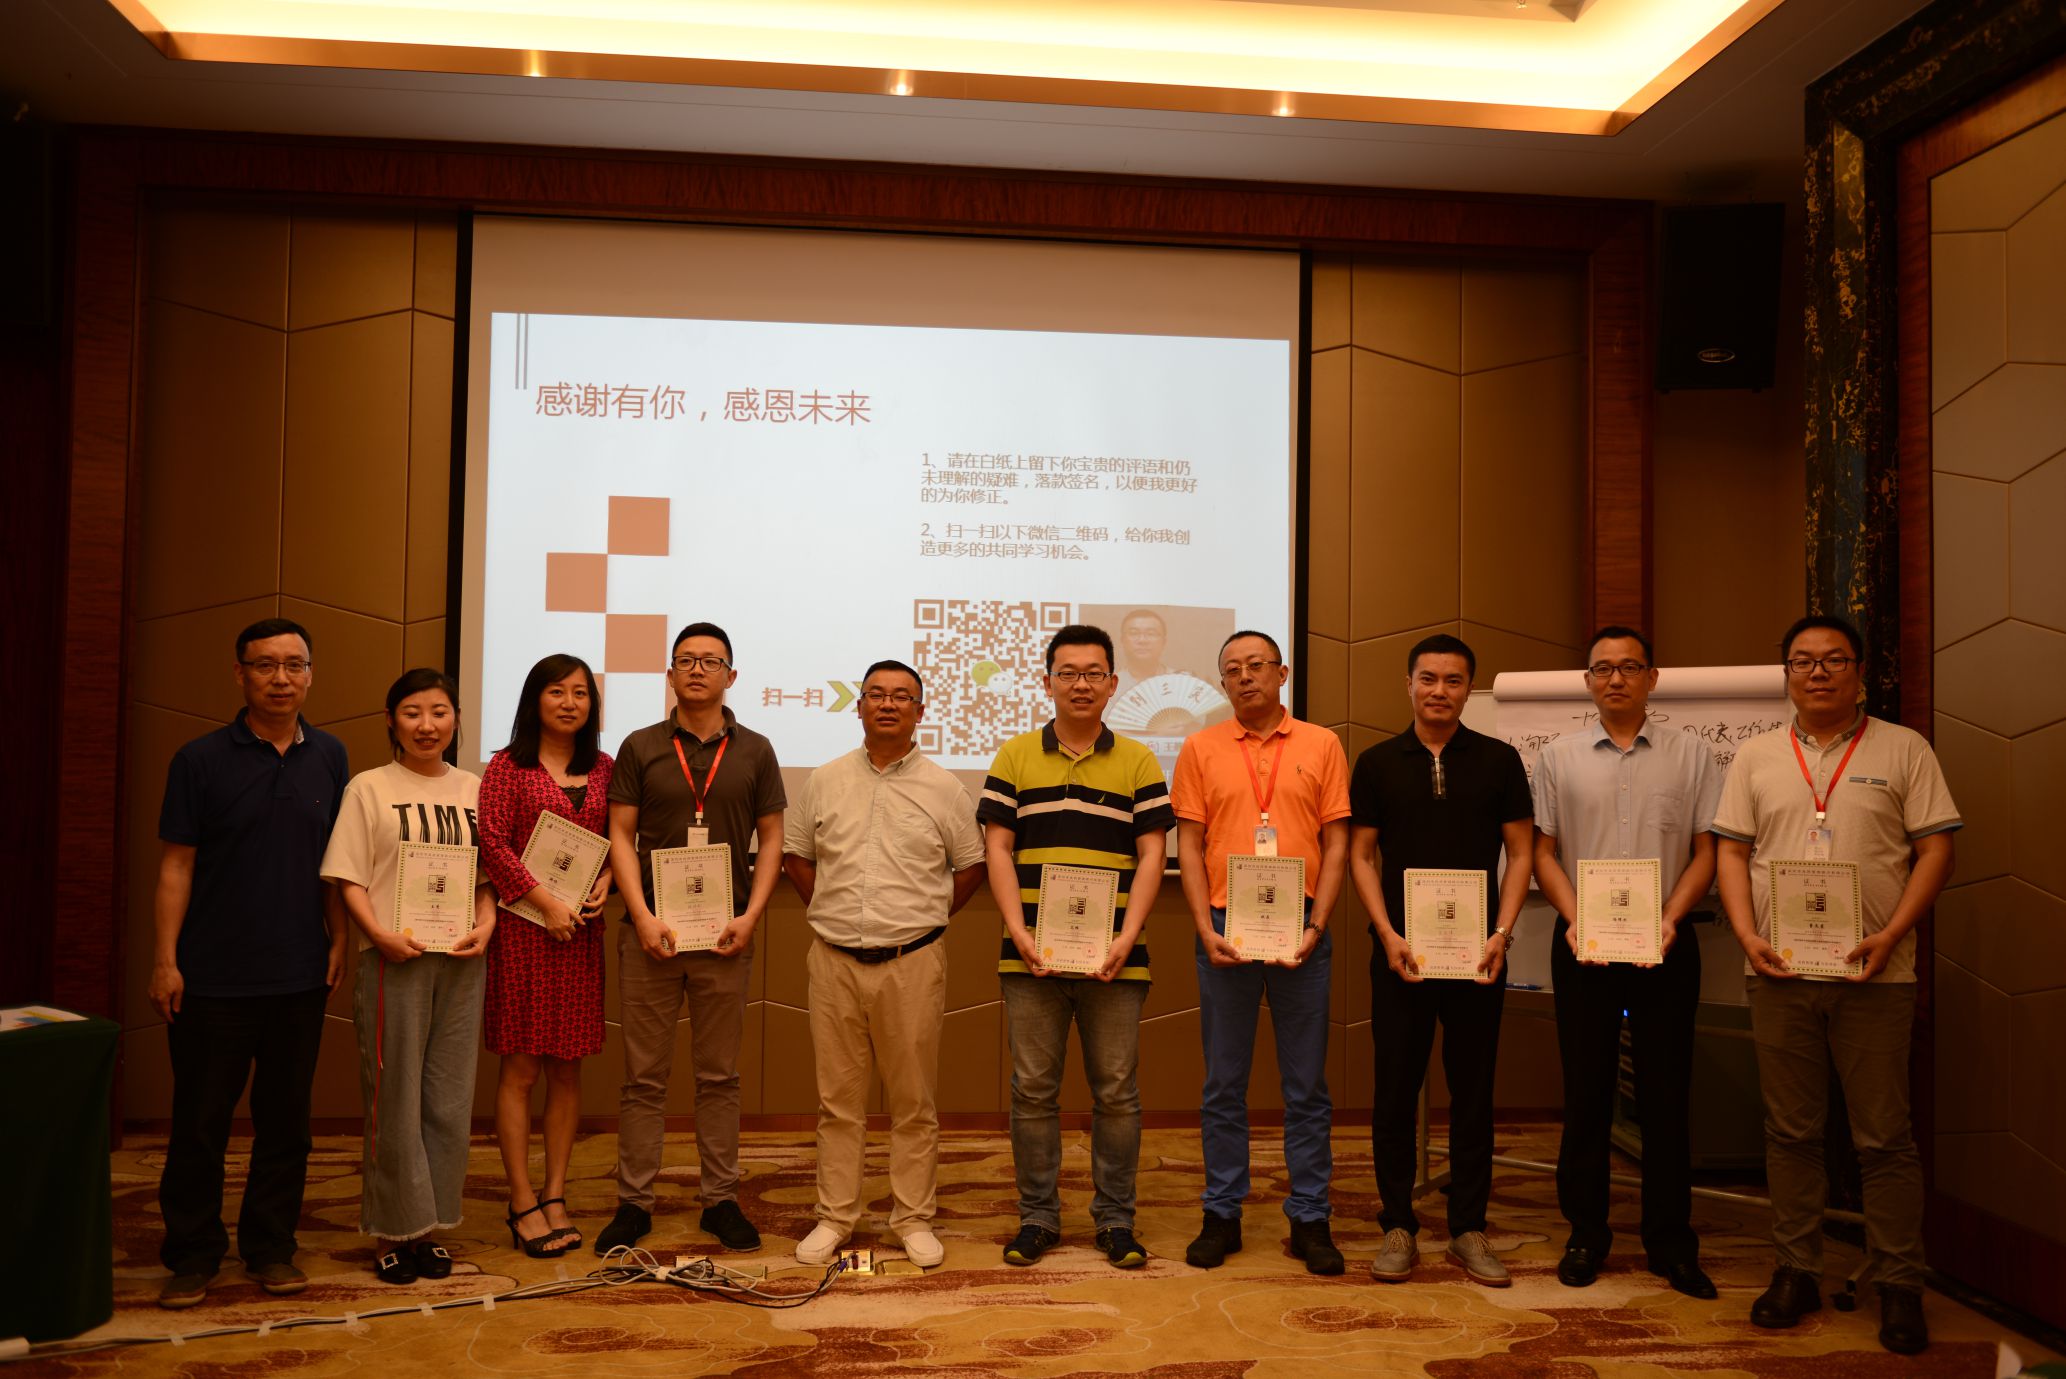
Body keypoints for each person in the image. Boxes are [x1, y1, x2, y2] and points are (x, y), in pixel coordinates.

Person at [1715, 614, 1958, 1356]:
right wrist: (1747, 936)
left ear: (1859, 671)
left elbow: (1936, 849)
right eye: (1802, 661)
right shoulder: (1756, 755)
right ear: (1786, 674)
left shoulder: (1905, 748)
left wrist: (1893, 934)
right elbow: (1732, 852)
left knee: (1883, 1137)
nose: (1817, 672)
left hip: (1874, 973)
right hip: (1779, 971)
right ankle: (1796, 1269)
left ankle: (1899, 1282)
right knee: (1791, 1132)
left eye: (1832, 660)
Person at [149, 618, 350, 1309]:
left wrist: (339, 939)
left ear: (310, 674)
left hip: (299, 973)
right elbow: (175, 867)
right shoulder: (198, 760)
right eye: (265, 665)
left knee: (286, 1124)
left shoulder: (330, 755)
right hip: (211, 977)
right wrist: (165, 960)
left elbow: (336, 865)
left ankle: (270, 1246)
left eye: (295, 664)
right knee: (199, 1124)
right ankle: (192, 1253)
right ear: (240, 674)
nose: (280, 678)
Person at [1530, 627, 1721, 1298]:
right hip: (1582, 944)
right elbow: (1542, 851)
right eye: (1603, 668)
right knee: (1586, 1095)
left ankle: (1670, 1241)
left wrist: (1670, 918)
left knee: (1667, 1097)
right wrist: (1576, 918)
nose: (1616, 678)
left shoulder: (1693, 754)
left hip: (1666, 942)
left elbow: (1707, 851)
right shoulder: (1556, 757)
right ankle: (1586, 1234)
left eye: (1630, 667)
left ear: (1652, 677)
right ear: (1587, 681)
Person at [781, 659, 986, 1270]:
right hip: (833, 962)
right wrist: (832, 912)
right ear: (860, 706)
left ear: (920, 711)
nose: (888, 704)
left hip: (911, 963)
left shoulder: (945, 788)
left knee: (913, 1102)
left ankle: (913, 1218)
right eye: (876, 694)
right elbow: (797, 856)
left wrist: (926, 918)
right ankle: (834, 1216)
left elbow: (970, 865)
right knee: (837, 1102)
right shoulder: (824, 779)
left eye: (902, 696)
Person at [980, 624, 1174, 1269]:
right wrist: (1018, 930)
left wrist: (1126, 937)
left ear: (1113, 683)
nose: (1081, 684)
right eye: (1068, 672)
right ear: (1048, 682)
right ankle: (1037, 1217)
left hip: (1116, 958)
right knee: (1033, 1091)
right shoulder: (1014, 756)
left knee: (1116, 1093)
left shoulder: (1138, 761)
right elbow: (997, 849)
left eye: (1094, 673)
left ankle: (1116, 1221)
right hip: (1029, 956)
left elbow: (1153, 855)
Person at [1348, 632, 1532, 1288]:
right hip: (1402, 955)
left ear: (1468, 689)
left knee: (1473, 1092)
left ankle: (1468, 1227)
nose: (1439, 691)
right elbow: (1361, 855)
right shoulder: (1376, 762)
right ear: (1409, 684)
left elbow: (1521, 852)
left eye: (1453, 680)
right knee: (1394, 1091)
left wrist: (1502, 932)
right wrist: (1386, 932)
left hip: (1478, 957)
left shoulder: (1500, 760)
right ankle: (1397, 1223)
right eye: (1428, 678)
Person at [600, 622, 786, 1253]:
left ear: (731, 675)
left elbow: (772, 839)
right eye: (686, 660)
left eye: (711, 661)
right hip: (651, 935)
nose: (698, 669)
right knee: (643, 1078)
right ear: (671, 674)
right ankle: (634, 1203)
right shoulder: (640, 746)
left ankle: (720, 1200)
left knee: (719, 1076)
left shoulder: (757, 750)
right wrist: (641, 916)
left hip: (726, 935)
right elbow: (620, 834)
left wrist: (751, 916)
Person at [1171, 631, 1350, 1274]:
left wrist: (1317, 925)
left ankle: (1310, 1218)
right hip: (1226, 925)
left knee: (1307, 1086)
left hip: (1302, 926)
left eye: (1256, 666)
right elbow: (1189, 844)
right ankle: (1222, 1213)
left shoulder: (1322, 744)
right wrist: (1203, 926)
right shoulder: (1200, 747)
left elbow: (1337, 842)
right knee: (1224, 1083)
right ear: (1222, 683)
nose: (1245, 676)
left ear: (1282, 672)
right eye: (1232, 669)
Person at [320, 669, 497, 1284]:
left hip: (461, 960)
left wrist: (487, 923)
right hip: (393, 958)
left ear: (457, 720)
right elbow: (348, 876)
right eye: (413, 713)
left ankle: (431, 1225)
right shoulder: (369, 788)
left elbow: (487, 878)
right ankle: (393, 1229)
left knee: (448, 1097)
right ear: (391, 720)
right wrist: (379, 934)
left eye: (439, 712)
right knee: (393, 1096)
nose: (427, 725)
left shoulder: (477, 790)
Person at [478, 654, 614, 1257]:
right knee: (522, 1070)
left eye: (580, 693)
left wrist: (608, 877)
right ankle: (521, 1199)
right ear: (535, 699)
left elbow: (619, 839)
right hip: (524, 934)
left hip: (580, 936)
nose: (569, 703)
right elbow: (493, 843)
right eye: (557, 691)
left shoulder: (605, 768)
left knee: (567, 1069)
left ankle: (555, 1193)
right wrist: (544, 902)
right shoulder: (508, 767)